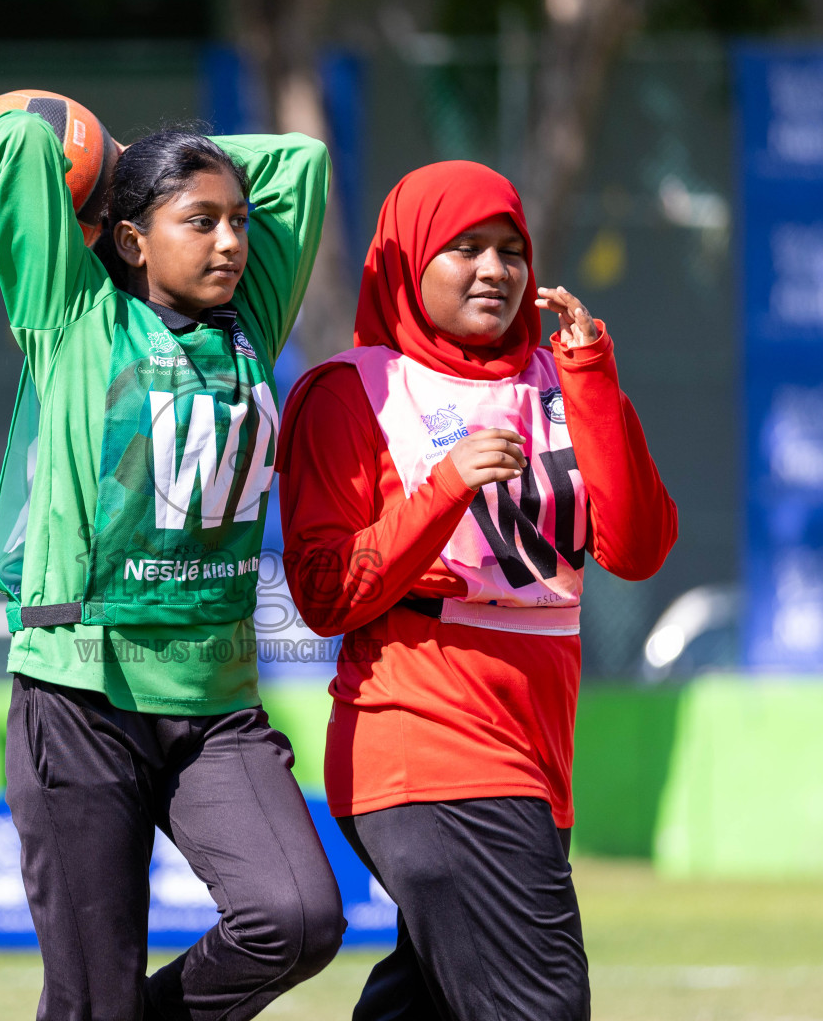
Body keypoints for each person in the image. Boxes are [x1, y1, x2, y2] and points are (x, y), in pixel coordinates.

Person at [0, 110, 343, 1021]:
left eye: (238, 221)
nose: (231, 240)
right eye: (198, 221)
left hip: (214, 701)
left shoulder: (256, 320)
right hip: (80, 696)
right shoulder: (73, 316)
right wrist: (107, 165)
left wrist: (148, 165)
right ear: (131, 237)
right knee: (91, 996)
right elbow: (24, 145)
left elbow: (302, 161)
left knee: (298, 917)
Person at [275, 161, 679, 1020]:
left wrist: (594, 382)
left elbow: (637, 549)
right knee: (541, 1007)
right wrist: (444, 487)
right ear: (408, 259)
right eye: (464, 248)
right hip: (426, 744)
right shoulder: (352, 392)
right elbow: (321, 593)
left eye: (510, 249)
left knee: (424, 1005)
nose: (495, 269)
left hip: (536, 751)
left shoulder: (559, 378)